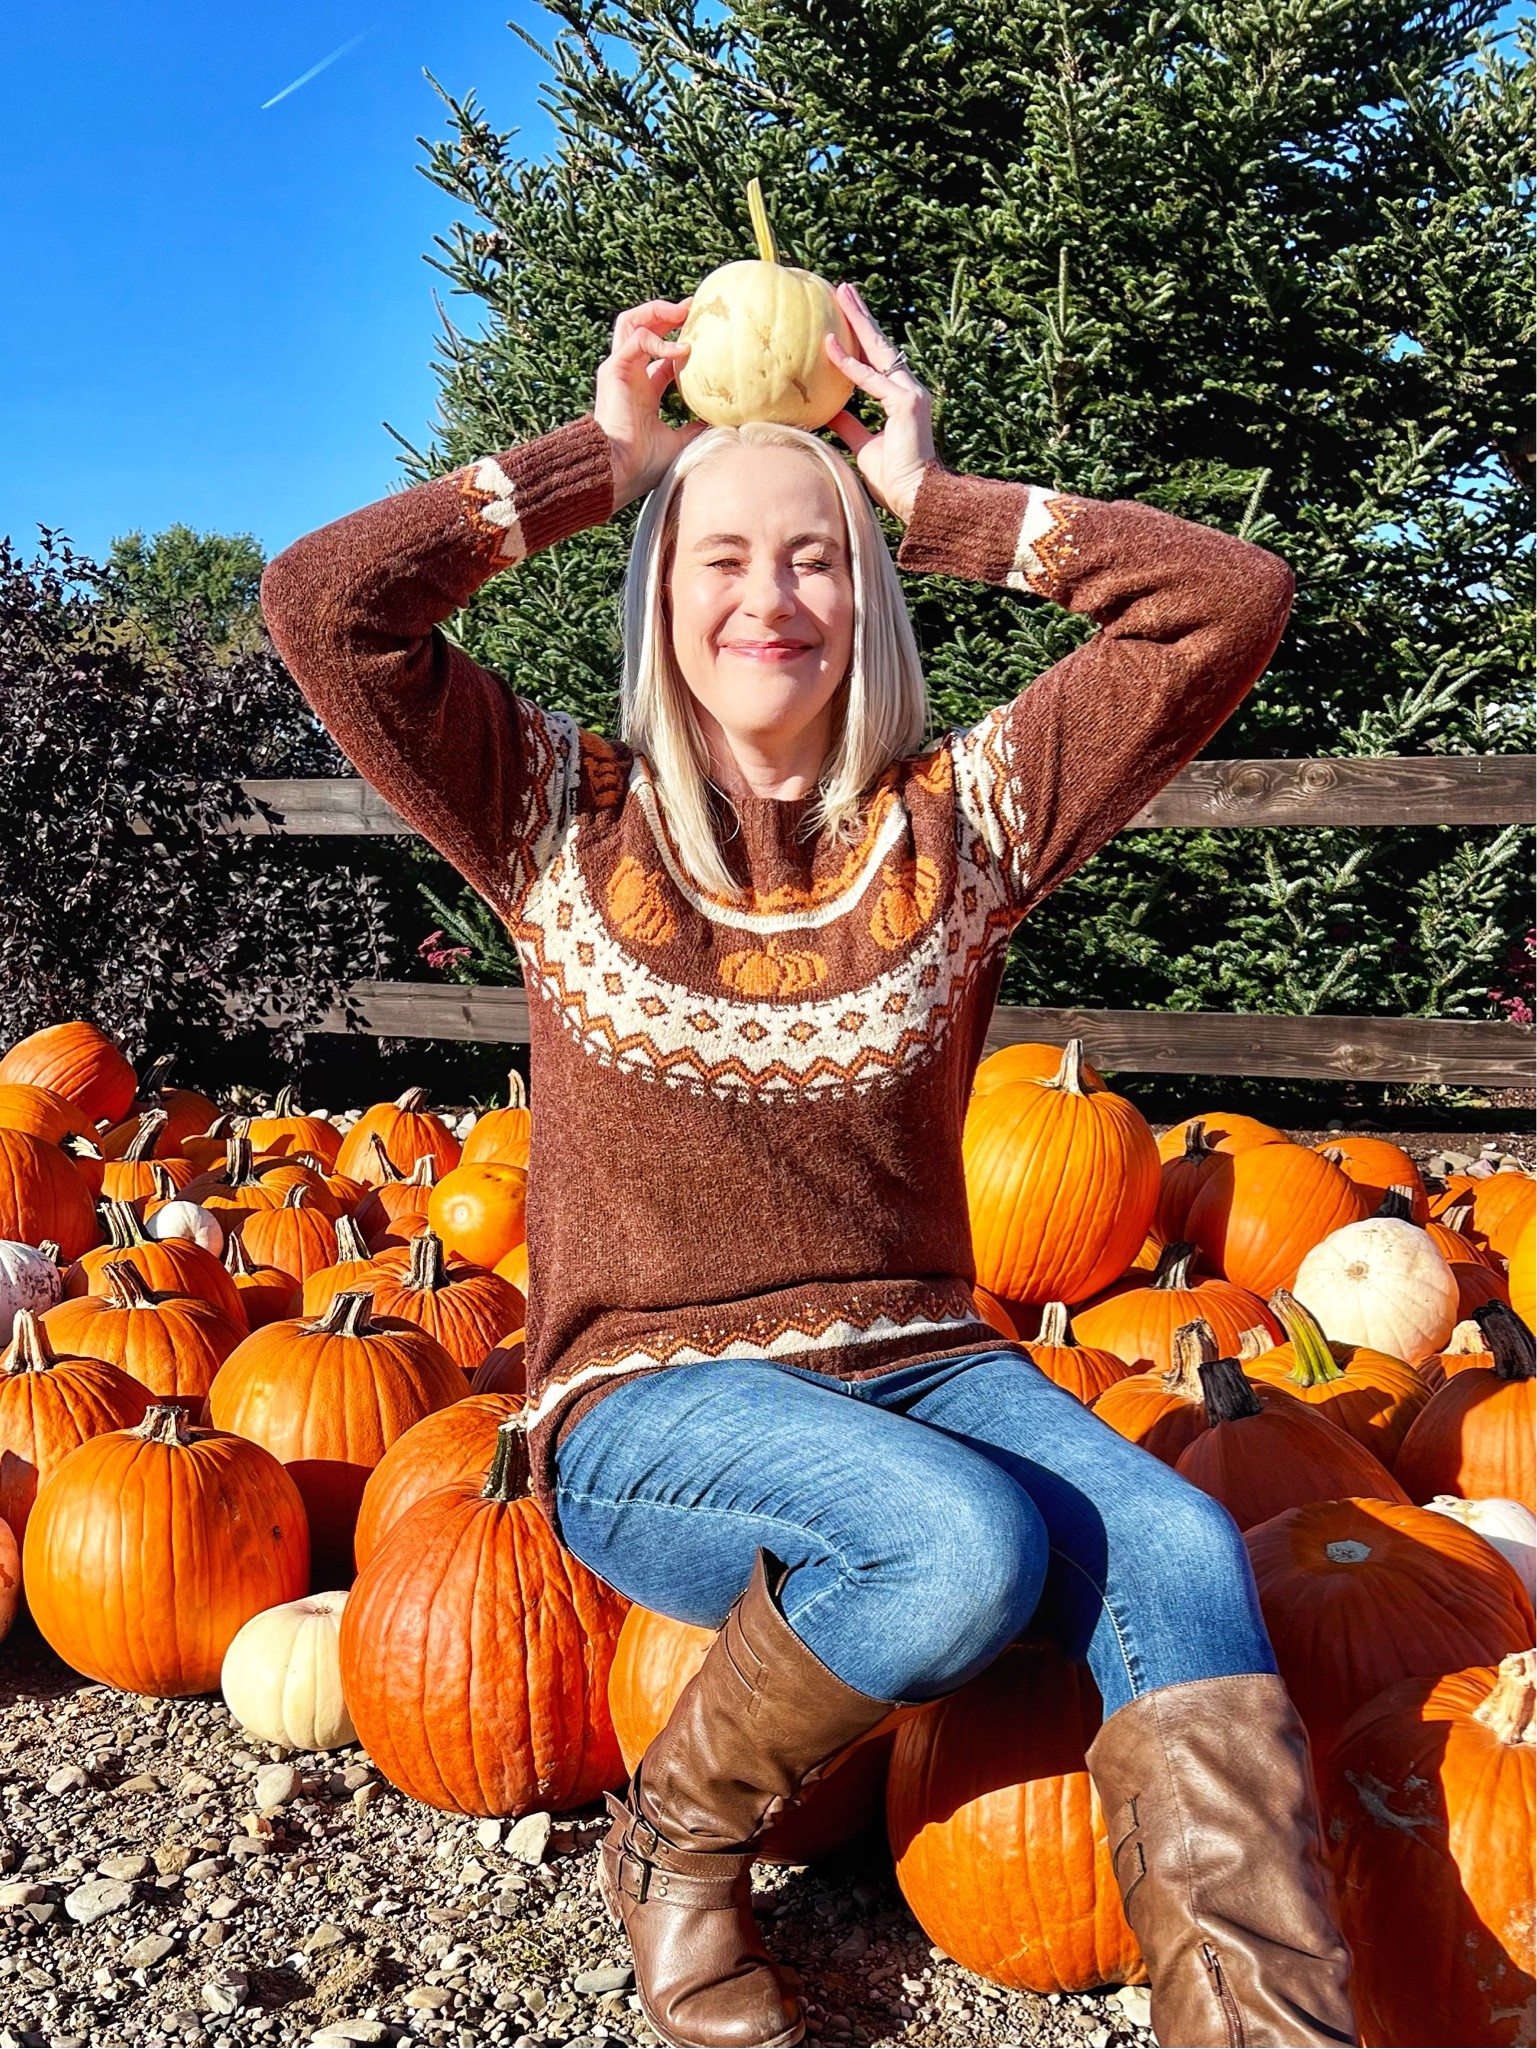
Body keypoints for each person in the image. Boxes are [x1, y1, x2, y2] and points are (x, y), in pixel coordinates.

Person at [262, 285, 1357, 2049]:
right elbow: (324, 605)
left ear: (869, 595)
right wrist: (593, 462)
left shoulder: (961, 821)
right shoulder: (556, 812)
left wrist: (933, 501)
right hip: (651, 1408)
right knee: (955, 1546)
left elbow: (1226, 604)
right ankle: (674, 1850)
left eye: (821, 558)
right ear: (658, 594)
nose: (769, 597)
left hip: (928, 1359)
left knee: (1176, 1538)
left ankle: (1258, 2026)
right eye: (718, 560)